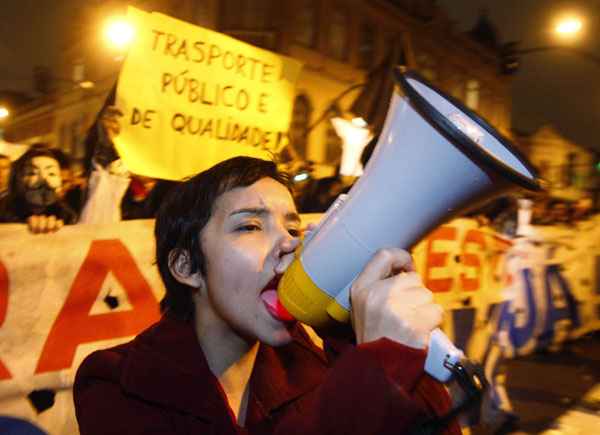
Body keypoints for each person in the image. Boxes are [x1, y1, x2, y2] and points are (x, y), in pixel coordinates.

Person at [73, 156, 462, 435]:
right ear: (186, 267)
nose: (289, 244)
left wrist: (360, 342)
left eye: (293, 228)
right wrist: (375, 375)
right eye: (250, 226)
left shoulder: (318, 369)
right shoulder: (115, 382)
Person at [0, 144, 77, 233]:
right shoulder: (3, 210)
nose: (44, 180)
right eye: (32, 173)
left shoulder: (67, 215)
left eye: (52, 173)